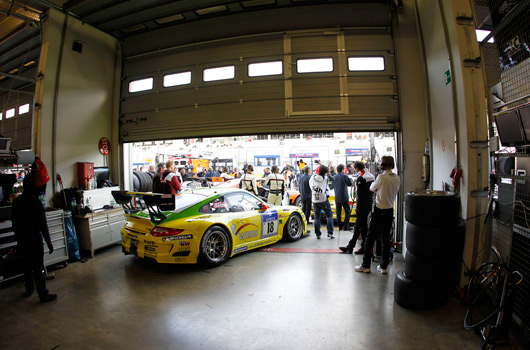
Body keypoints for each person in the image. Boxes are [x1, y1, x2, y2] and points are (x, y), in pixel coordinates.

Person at [12, 174, 57, 303]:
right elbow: (43, 225)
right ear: (34, 187)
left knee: (26, 265)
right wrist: (49, 242)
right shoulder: (36, 203)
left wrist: (18, 239)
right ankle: (43, 294)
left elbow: (14, 223)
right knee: (38, 267)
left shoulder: (17, 202)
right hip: (34, 239)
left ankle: (29, 288)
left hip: (22, 239)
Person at [355, 156, 400, 274]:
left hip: (379, 210)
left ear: (383, 165)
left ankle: (366, 265)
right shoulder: (397, 178)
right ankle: (383, 266)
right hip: (390, 210)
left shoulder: (381, 177)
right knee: (386, 238)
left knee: (370, 238)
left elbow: (371, 188)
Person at [340, 161, 375, 254]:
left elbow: (360, 195)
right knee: (359, 226)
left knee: (362, 227)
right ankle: (351, 246)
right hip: (369, 203)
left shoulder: (361, 177)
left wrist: (357, 207)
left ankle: (364, 247)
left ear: (356, 168)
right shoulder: (371, 175)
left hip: (362, 205)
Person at [310, 165, 334, 239]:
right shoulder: (325, 178)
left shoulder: (312, 177)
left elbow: (310, 186)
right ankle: (330, 233)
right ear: (325, 172)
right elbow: (333, 179)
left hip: (314, 199)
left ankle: (318, 234)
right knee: (329, 215)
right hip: (323, 199)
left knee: (317, 217)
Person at [333, 164, 353, 232]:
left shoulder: (334, 176)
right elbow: (350, 183)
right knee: (347, 211)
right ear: (342, 170)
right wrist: (350, 178)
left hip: (337, 197)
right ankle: (346, 226)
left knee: (338, 212)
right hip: (344, 197)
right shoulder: (345, 176)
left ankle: (340, 226)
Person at [299, 165, 312, 231]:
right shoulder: (309, 177)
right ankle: (306, 220)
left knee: (303, 208)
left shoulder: (301, 177)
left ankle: (302, 219)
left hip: (303, 195)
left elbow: (299, 186)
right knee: (308, 208)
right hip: (308, 195)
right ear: (309, 170)